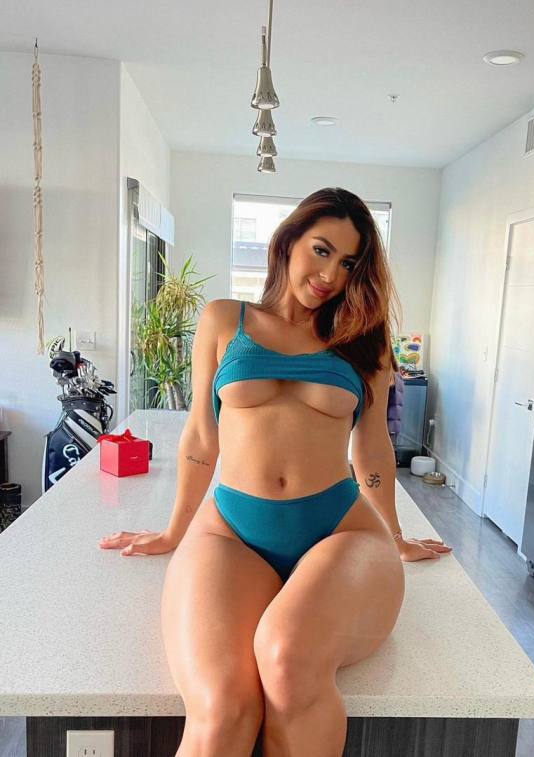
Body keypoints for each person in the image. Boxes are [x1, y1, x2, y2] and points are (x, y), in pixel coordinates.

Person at [99, 187, 452, 757]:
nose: (330, 274)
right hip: (232, 532)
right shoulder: (224, 320)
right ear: (288, 242)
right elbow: (201, 437)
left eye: (348, 263)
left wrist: (394, 533)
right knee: (221, 706)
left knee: (287, 660)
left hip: (340, 533)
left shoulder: (362, 340)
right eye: (321, 250)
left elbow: (372, 448)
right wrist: (173, 531)